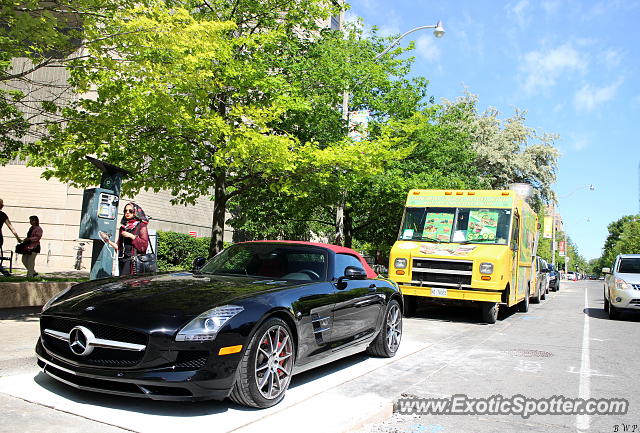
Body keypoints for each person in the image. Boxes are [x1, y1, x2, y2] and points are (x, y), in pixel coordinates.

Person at [100, 202, 149, 276]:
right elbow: (118, 247)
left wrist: (131, 236)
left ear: (135, 212)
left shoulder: (141, 226)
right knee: (124, 284)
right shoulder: (123, 228)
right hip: (123, 261)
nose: (127, 212)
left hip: (134, 262)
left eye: (130, 211)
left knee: (131, 285)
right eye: (125, 211)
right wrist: (108, 240)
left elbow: (144, 246)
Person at [0, 199, 22, 276]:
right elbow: (11, 227)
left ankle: (4, 271)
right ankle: (4, 271)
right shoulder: (3, 215)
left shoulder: (3, 215)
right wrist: (18, 238)